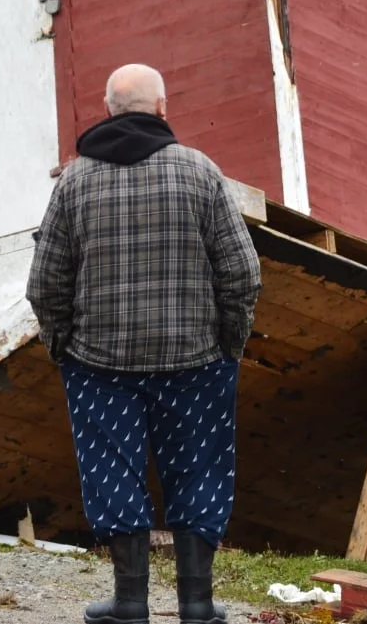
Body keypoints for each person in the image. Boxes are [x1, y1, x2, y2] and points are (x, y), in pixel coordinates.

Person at [26, 63, 263, 624]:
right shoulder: (200, 173)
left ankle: (130, 603)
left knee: (112, 472)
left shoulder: (76, 181)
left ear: (108, 109)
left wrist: (62, 346)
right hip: (197, 359)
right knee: (201, 471)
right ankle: (198, 606)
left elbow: (45, 283)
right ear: (163, 108)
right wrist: (229, 343)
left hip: (100, 364)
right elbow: (243, 272)